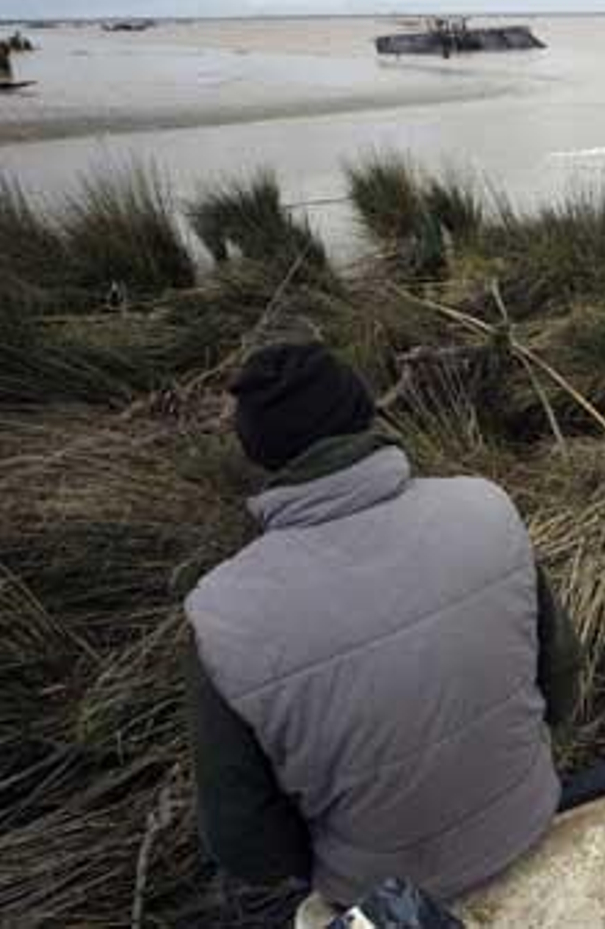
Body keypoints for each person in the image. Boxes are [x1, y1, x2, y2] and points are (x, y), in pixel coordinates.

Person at [184, 342, 579, 914]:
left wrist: (332, 859)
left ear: (257, 450)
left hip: (376, 893)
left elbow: (244, 842)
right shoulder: (488, 507)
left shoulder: (219, 615)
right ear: (362, 411)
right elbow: (562, 681)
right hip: (527, 821)